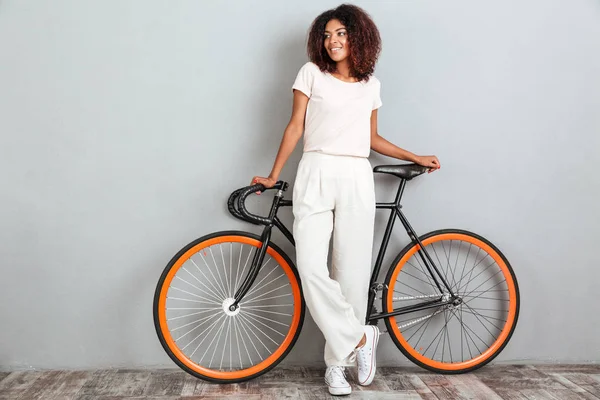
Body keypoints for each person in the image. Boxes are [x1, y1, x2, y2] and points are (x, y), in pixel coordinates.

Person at [250, 4, 440, 396]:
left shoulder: (371, 85)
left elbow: (371, 138)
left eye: (341, 33)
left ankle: (336, 367)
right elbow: (295, 127)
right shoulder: (311, 74)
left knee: (351, 274)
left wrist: (415, 156)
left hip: (356, 174)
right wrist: (273, 174)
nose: (333, 41)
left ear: (358, 37)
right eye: (327, 34)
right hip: (315, 169)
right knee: (311, 267)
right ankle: (359, 336)